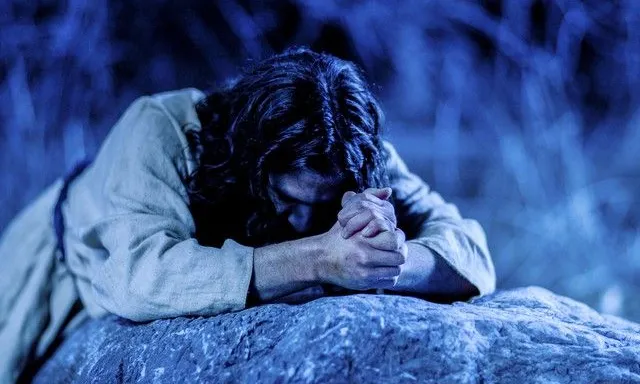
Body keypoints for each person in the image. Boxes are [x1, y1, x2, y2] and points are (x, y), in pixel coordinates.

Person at [0, 47, 496, 382]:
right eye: (288, 201)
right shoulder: (159, 128)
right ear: (249, 163)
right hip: (47, 269)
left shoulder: (351, 151)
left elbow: (471, 252)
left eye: (323, 207)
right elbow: (138, 276)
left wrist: (382, 262)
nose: (304, 222)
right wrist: (320, 258)